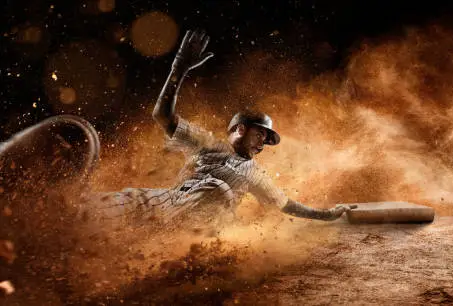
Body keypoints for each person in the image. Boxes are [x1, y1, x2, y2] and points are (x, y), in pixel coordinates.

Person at [79, 29, 356, 225]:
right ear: (239, 129)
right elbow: (162, 116)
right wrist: (179, 68)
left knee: (219, 190)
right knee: (96, 207)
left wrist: (328, 213)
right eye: (260, 133)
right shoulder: (209, 145)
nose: (263, 142)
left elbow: (286, 205)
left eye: (267, 138)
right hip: (163, 205)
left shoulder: (256, 174)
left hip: (197, 225)